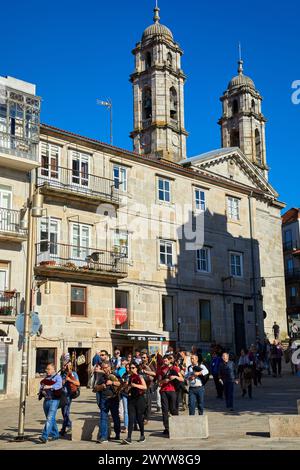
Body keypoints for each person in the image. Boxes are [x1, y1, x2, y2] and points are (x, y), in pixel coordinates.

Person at [93, 361, 121, 444]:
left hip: (113, 398)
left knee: (115, 417)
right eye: (103, 368)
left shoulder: (115, 374)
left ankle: (117, 433)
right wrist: (102, 386)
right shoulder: (101, 376)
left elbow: (121, 384)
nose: (104, 369)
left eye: (105, 367)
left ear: (109, 367)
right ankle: (103, 437)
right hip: (104, 399)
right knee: (103, 418)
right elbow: (95, 388)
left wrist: (112, 382)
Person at [157, 355, 183, 436]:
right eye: (164, 361)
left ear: (169, 360)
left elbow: (182, 379)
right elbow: (158, 382)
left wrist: (175, 376)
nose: (165, 362)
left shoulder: (174, 368)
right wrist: (164, 381)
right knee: (164, 410)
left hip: (172, 391)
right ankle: (166, 428)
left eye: (166, 361)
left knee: (173, 409)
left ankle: (176, 425)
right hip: (163, 391)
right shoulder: (161, 369)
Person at [122, 362, 147, 445]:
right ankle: (129, 438)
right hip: (131, 399)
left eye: (133, 367)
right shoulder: (129, 377)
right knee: (131, 418)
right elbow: (127, 389)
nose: (131, 369)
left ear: (136, 368)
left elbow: (145, 387)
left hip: (140, 399)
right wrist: (126, 387)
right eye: (130, 368)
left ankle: (142, 435)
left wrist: (135, 385)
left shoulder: (140, 376)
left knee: (139, 419)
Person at [38, 363, 63, 443]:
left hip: (54, 400)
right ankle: (55, 434)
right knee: (50, 418)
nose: (46, 370)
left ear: (53, 369)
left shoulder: (57, 377)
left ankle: (44, 436)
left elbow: (59, 385)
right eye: (46, 369)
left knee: (49, 418)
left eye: (48, 369)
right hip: (46, 400)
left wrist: (50, 386)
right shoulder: (46, 378)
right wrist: (41, 391)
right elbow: (42, 386)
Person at [59, 357, 80, 436]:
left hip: (68, 395)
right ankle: (69, 425)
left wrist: (69, 379)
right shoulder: (62, 373)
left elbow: (78, 383)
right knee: (63, 412)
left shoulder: (73, 373)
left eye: (65, 365)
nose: (64, 367)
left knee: (65, 411)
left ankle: (64, 429)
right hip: (62, 394)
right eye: (63, 365)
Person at [140, 353, 156, 423]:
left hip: (149, 385)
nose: (143, 359)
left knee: (148, 402)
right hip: (141, 385)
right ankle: (142, 416)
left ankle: (146, 417)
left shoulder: (151, 364)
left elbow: (154, 374)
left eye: (144, 357)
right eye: (142, 357)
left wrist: (146, 371)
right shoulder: (140, 365)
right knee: (142, 402)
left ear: (147, 358)